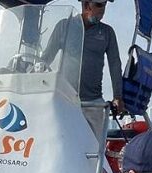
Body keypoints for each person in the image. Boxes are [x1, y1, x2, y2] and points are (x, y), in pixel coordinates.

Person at [43, 0, 124, 140]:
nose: (103, 10)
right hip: (65, 100)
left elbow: (115, 64)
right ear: (86, 5)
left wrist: (118, 96)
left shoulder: (107, 32)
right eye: (99, 5)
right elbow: (45, 59)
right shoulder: (64, 26)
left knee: (95, 150)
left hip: (93, 103)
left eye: (104, 5)